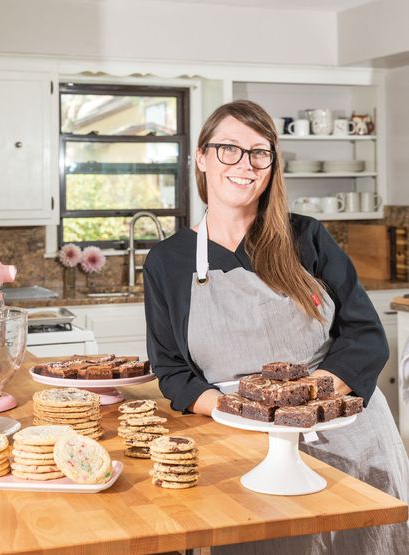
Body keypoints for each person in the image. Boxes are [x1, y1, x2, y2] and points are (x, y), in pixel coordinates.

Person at [143, 99, 408, 554]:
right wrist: (245, 413)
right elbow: (173, 372)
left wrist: (299, 403)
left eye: (258, 152)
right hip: (243, 445)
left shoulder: (306, 237)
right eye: (229, 149)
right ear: (202, 158)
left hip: (347, 434)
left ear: (271, 164)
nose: (244, 164)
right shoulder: (167, 263)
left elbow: (365, 336)